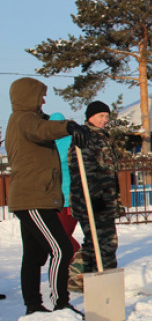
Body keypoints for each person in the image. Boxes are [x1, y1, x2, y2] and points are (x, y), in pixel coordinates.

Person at [6, 77, 88, 315]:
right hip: (33, 198)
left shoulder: (26, 120)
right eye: (40, 95)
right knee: (61, 248)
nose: (43, 100)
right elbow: (42, 130)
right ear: (28, 96)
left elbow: (42, 127)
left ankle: (33, 306)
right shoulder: (24, 119)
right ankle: (60, 302)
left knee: (34, 254)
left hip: (35, 197)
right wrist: (68, 126)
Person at [68, 101, 124, 289]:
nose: (104, 120)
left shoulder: (103, 137)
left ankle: (84, 280)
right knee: (104, 243)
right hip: (92, 201)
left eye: (107, 117)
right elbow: (83, 171)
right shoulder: (85, 137)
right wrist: (95, 196)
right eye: (101, 116)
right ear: (90, 117)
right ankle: (100, 284)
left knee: (97, 243)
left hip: (104, 200)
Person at [49, 112, 83, 292]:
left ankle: (76, 266)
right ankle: (73, 268)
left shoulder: (58, 144)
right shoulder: (69, 141)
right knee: (61, 237)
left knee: (60, 237)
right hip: (64, 198)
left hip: (65, 199)